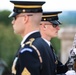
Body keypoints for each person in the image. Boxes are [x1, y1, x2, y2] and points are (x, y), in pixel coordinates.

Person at [9, 0, 45, 75]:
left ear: (25, 18)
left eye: (14, 18)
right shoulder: (44, 44)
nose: (13, 22)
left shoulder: (28, 51)